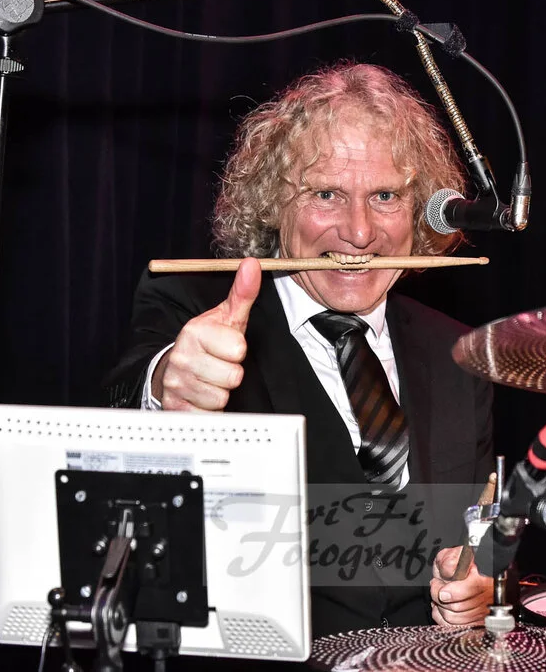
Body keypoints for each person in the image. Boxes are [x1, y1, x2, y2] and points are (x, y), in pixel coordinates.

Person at [104, 62, 495, 638]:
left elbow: (478, 534)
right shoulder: (191, 307)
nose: (359, 232)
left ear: (421, 210)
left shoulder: (459, 353)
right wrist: (166, 387)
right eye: (326, 194)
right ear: (271, 204)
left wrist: (479, 584)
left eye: (385, 195)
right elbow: (118, 410)